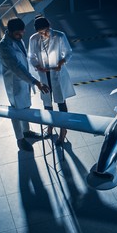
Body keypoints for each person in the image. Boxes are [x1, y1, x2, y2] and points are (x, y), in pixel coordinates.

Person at [0, 17, 50, 151]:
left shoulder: (17, 38)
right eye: (17, 34)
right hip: (14, 84)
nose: (21, 36)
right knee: (16, 112)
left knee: (25, 107)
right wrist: (35, 81)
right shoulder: (5, 46)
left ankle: (26, 132)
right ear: (9, 31)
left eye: (22, 33)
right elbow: (17, 67)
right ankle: (20, 139)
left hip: (23, 81)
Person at [28, 15, 75, 144]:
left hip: (57, 73)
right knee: (47, 103)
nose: (43, 34)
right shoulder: (34, 39)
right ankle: (50, 126)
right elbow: (31, 56)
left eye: (45, 31)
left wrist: (61, 62)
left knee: (61, 103)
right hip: (44, 75)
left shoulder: (59, 36)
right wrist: (37, 65)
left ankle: (63, 130)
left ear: (49, 27)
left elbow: (69, 52)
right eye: (40, 32)